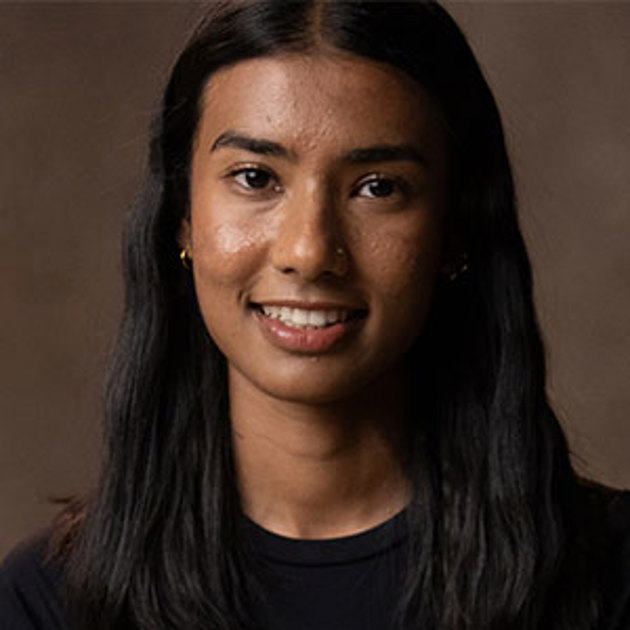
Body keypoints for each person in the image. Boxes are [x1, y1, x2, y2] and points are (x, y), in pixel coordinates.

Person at [1, 1, 628, 628]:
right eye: (254, 177)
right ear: (182, 217)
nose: (308, 251)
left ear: (456, 231)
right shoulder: (47, 603)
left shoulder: (613, 577)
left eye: (378, 186)